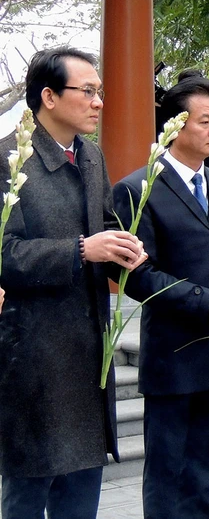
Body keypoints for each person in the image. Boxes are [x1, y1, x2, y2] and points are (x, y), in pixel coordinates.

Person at [0, 46, 145, 518]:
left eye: (99, 92)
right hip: (32, 357)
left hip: (87, 354)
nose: (98, 102)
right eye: (88, 91)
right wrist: (82, 250)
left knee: (82, 492)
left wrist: (126, 251)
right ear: (48, 97)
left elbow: (103, 227)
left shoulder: (90, 156)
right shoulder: (9, 160)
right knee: (28, 492)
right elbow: (6, 254)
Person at [114, 75, 209, 518]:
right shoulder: (137, 188)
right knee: (168, 471)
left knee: (205, 472)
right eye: (205, 121)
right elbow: (138, 277)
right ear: (176, 125)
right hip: (173, 357)